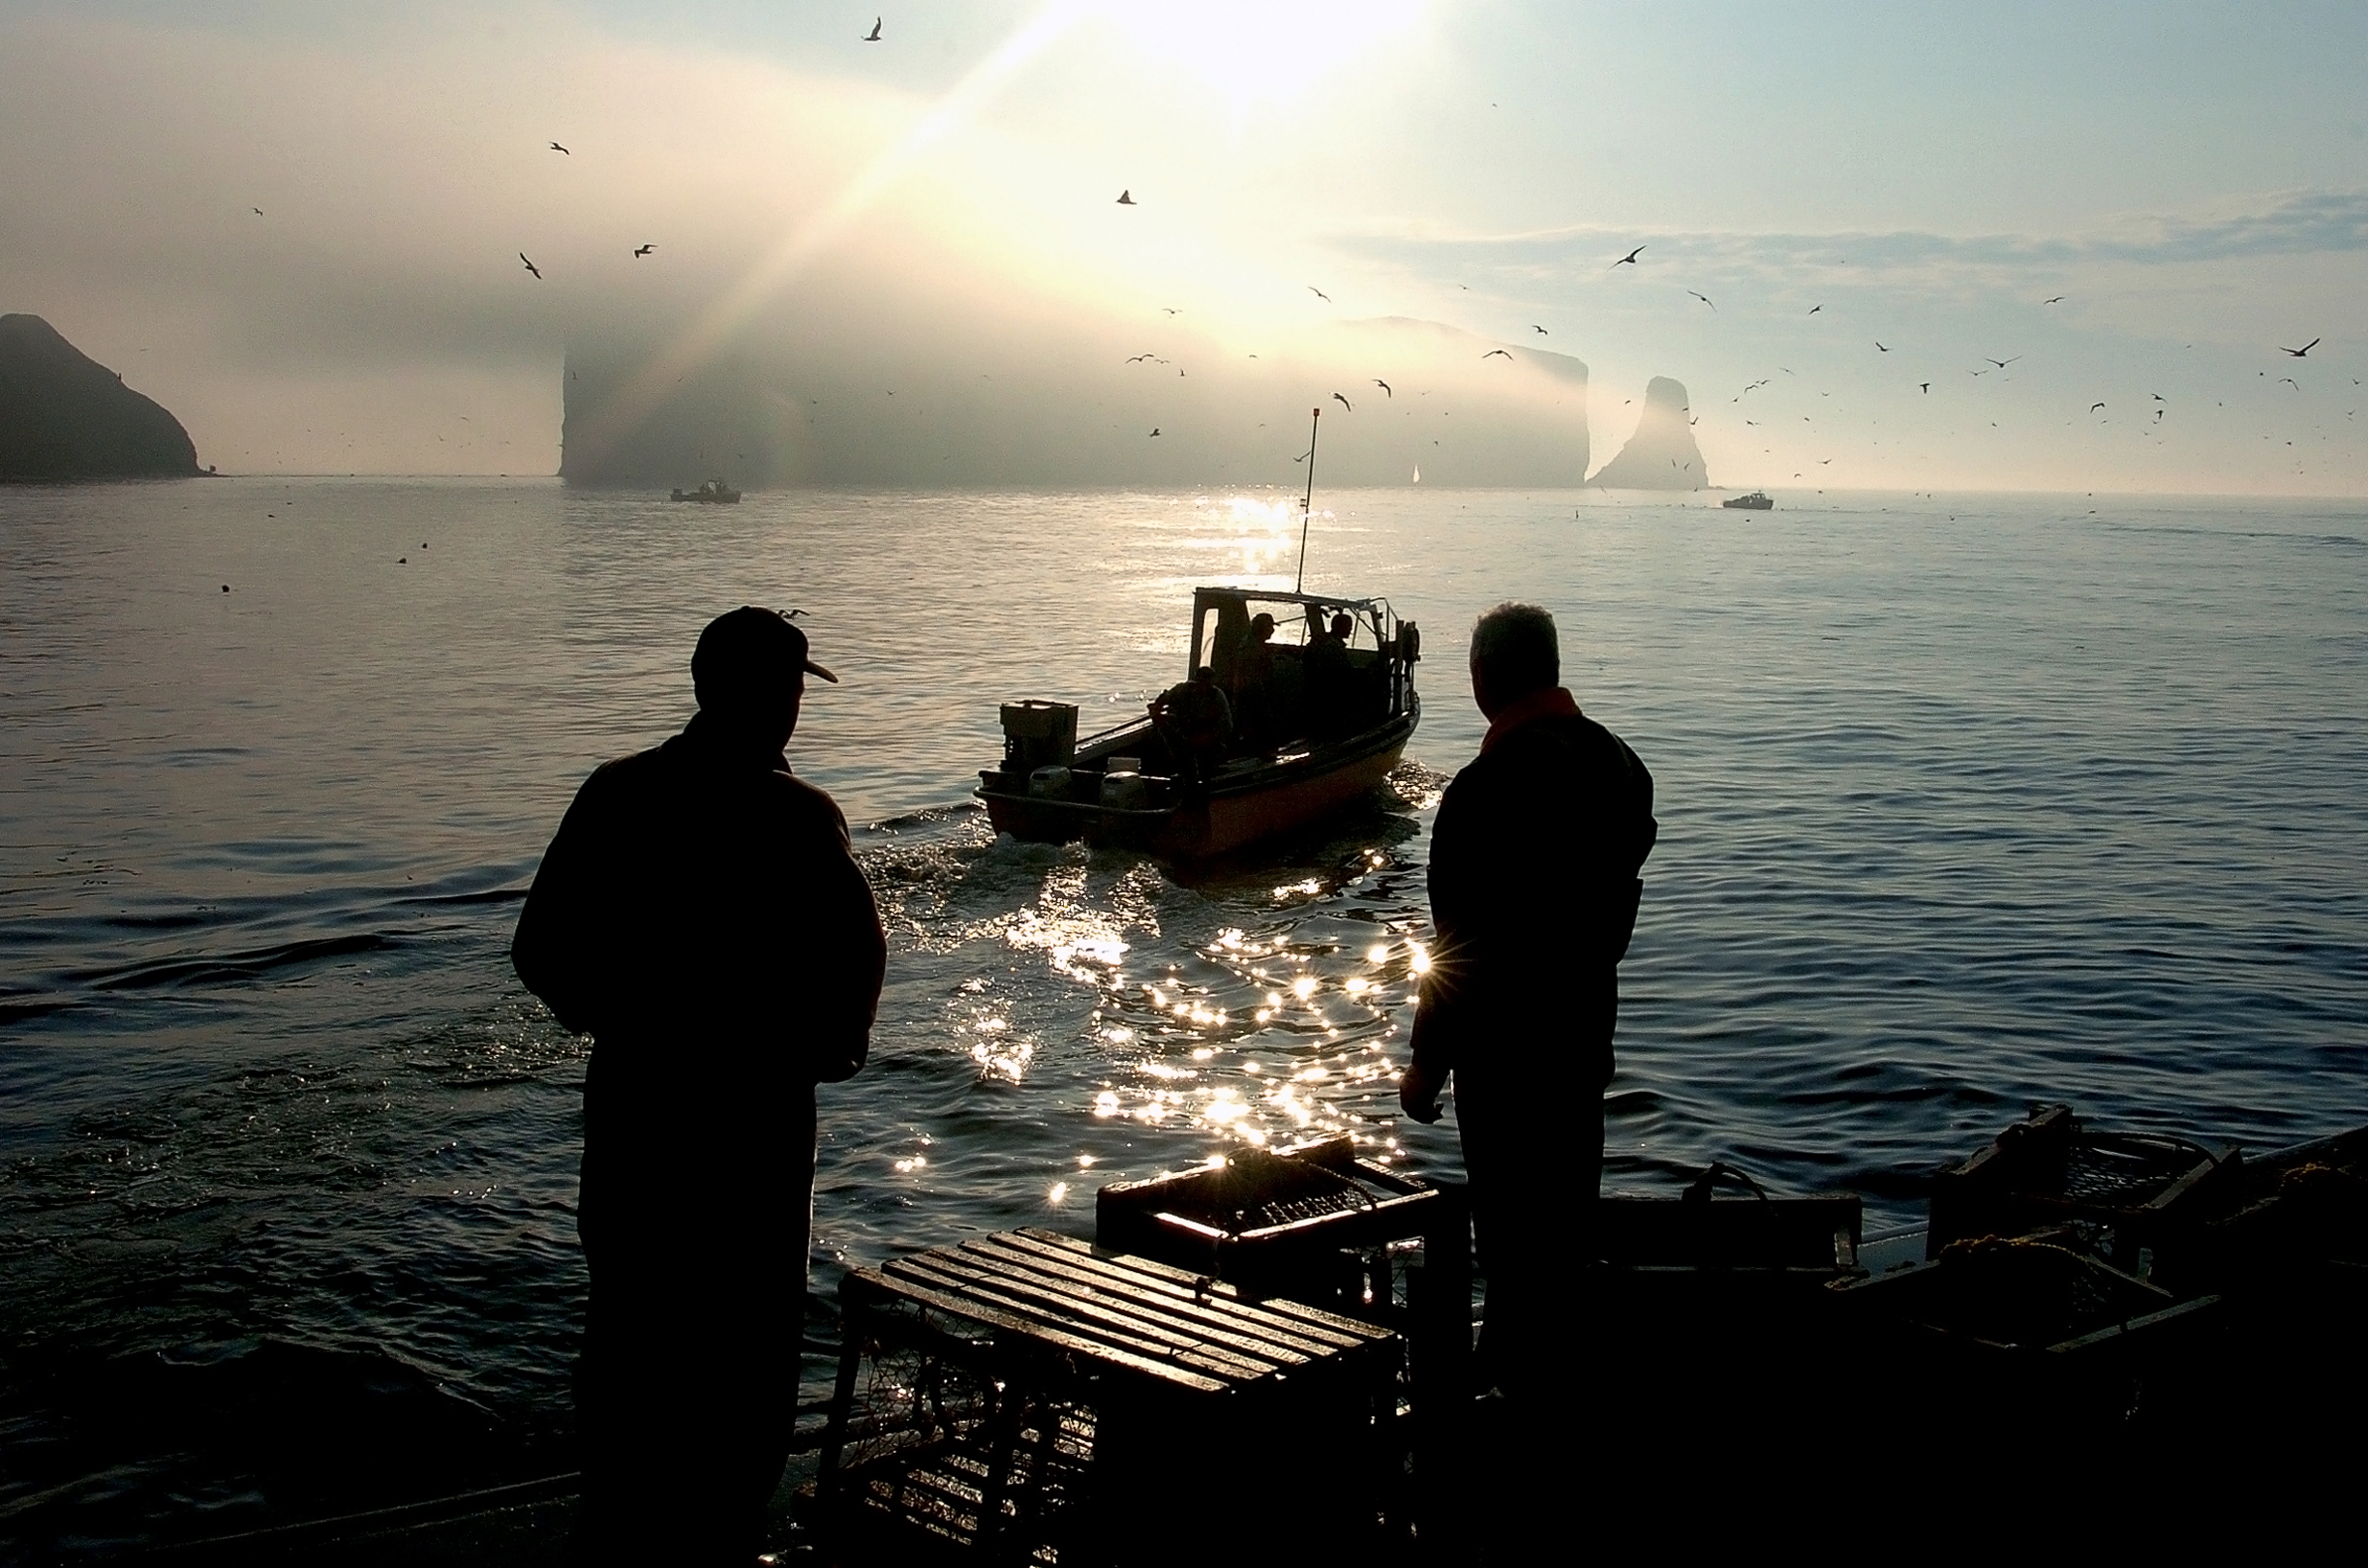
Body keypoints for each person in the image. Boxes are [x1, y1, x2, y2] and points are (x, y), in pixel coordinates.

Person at [511, 606, 887, 1564]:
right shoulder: (799, 817)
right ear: (779, 699)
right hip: (753, 1128)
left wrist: (631, 1024)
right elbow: (855, 962)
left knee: (631, 1325)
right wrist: (822, 1048)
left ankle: (617, 1529)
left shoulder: (615, 792)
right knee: (746, 1338)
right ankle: (720, 1546)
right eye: (797, 688)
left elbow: (540, 949)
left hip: (637, 1111)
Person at [1399, 601, 1655, 1401]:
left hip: (1505, 1059)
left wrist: (1424, 1065)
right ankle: (1558, 1390)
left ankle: (1508, 1396)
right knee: (1564, 1224)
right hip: (1580, 1040)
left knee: (1509, 1235)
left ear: (1484, 679)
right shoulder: (1620, 765)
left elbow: (1459, 946)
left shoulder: (1482, 790)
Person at [1149, 666, 1233, 783]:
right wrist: (1157, 709)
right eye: (1200, 682)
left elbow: (1227, 726)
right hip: (1183, 734)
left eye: (1207, 683)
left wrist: (1206, 738)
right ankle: (1181, 771)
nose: (1202, 687)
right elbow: (1165, 698)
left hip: (1208, 739)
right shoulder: (1182, 690)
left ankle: (1202, 776)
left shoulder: (1217, 697)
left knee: (1207, 761)